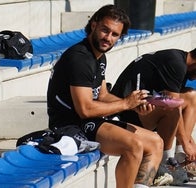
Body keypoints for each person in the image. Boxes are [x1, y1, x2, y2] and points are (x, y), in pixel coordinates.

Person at [47, 4, 163, 188]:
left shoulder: (99, 57)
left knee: (156, 142)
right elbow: (85, 109)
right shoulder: (79, 58)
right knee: (133, 146)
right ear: (94, 25)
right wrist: (125, 103)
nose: (108, 38)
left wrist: (135, 104)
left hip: (90, 120)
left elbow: (102, 95)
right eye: (104, 30)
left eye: (114, 34)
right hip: (70, 125)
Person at [110, 49, 196, 178]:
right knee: (170, 106)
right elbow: (173, 105)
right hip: (127, 112)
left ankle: (181, 157)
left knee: (191, 96)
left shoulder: (180, 60)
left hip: (144, 108)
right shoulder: (176, 63)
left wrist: (189, 142)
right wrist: (186, 143)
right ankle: (164, 164)